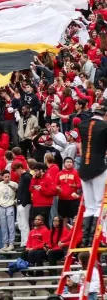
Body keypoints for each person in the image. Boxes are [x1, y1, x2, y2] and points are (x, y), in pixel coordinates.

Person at [76, 105, 107, 245]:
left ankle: (86, 240)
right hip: (98, 166)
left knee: (90, 205)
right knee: (100, 203)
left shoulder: (82, 124)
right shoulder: (104, 126)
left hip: (83, 167)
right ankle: (97, 236)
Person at [0, 170, 17, 250]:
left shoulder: (14, 184)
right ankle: (5, 244)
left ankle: (11, 243)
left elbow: (19, 193)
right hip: (1, 207)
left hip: (10, 206)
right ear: (2, 177)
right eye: (5, 177)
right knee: (3, 226)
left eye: (9, 176)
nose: (7, 178)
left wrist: (14, 202)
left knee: (11, 226)